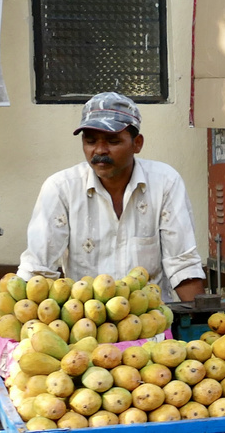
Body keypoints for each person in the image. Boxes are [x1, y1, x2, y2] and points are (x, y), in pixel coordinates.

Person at [19, 92, 206, 304]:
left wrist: (202, 326)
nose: (99, 150)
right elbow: (37, 271)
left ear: (137, 144)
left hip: (151, 321)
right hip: (85, 322)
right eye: (90, 141)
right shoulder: (60, 189)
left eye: (113, 141)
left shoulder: (165, 183)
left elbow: (183, 265)